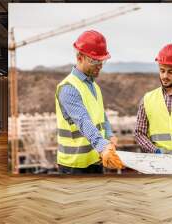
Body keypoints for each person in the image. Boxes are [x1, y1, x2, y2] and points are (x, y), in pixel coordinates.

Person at [55, 30, 123, 174]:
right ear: (80, 57)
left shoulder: (94, 87)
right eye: (94, 60)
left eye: (102, 60)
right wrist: (103, 146)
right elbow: (83, 121)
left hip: (96, 160)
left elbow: (101, 116)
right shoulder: (68, 88)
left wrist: (109, 135)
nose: (100, 65)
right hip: (74, 166)